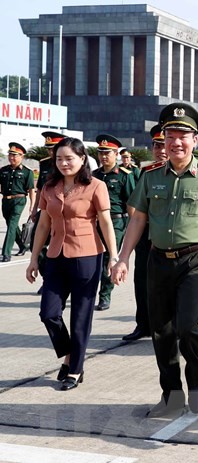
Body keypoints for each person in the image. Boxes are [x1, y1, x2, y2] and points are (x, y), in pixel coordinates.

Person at [111, 103, 198, 418]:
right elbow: (138, 220)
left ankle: (196, 382)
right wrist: (122, 258)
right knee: (161, 330)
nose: (176, 142)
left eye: (183, 136)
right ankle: (172, 394)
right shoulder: (151, 177)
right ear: (163, 140)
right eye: (170, 136)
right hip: (158, 261)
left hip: (195, 260)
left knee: (188, 325)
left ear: (194, 140)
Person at [26, 137, 118, 391]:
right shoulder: (50, 186)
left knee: (80, 318)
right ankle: (68, 354)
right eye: (59, 159)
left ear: (82, 159)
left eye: (69, 158)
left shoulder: (95, 186)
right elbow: (43, 223)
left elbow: (106, 223)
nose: (64, 163)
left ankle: (75, 369)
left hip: (87, 257)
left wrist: (114, 256)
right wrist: (34, 258)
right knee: (49, 313)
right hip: (55, 257)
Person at [122, 124, 167, 342]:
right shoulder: (144, 173)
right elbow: (133, 205)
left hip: (170, 237)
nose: (162, 150)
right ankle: (143, 325)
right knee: (142, 282)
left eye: (164, 144)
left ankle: (169, 327)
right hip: (145, 233)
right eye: (157, 145)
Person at [93, 134, 135, 311]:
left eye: (108, 153)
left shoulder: (124, 175)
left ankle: (105, 295)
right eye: (101, 152)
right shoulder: (94, 175)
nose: (104, 156)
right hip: (94, 223)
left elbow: (131, 203)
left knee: (109, 259)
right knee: (93, 259)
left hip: (116, 223)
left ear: (116, 154)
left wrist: (133, 228)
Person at [29, 132, 67, 292]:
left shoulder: (67, 164)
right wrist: (34, 208)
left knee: (61, 248)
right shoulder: (44, 164)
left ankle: (59, 282)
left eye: (54, 149)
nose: (50, 152)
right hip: (46, 211)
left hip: (62, 213)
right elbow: (40, 189)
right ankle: (47, 279)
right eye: (49, 149)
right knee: (35, 245)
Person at [1, 142, 35, 262]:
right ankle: (23, 245)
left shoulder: (27, 172)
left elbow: (31, 190)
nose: (12, 158)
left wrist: (32, 205)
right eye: (10, 155)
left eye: (15, 155)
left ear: (22, 157)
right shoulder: (3, 170)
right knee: (12, 226)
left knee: (11, 224)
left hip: (19, 200)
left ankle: (6, 253)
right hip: (5, 201)